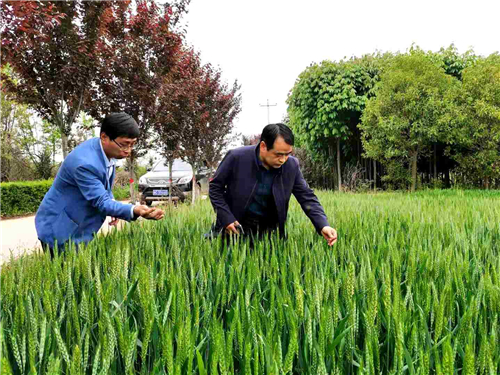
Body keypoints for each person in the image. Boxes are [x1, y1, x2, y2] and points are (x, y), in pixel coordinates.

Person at [35, 112, 164, 256]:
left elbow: (103, 188)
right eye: (124, 144)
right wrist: (135, 210)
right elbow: (101, 201)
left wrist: (114, 204)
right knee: (62, 275)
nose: (128, 150)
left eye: (132, 144)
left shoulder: (105, 151)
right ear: (104, 137)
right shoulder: (84, 163)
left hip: (78, 226)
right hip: (60, 228)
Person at [209, 123, 337, 246]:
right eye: (278, 154)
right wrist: (226, 218)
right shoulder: (236, 157)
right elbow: (215, 188)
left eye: (287, 154)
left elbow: (306, 196)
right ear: (263, 146)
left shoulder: (291, 166)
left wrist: (323, 225)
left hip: (270, 235)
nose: (283, 159)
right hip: (235, 229)